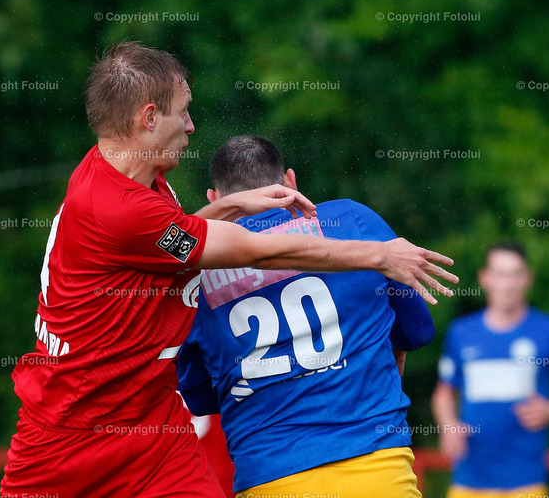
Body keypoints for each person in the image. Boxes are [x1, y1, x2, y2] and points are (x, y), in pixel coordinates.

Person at [0, 42, 457, 498]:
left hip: (154, 424)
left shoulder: (132, 176)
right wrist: (379, 255)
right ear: (149, 118)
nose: (191, 126)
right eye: (184, 111)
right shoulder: (119, 208)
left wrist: (231, 205)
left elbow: (167, 241)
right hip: (74, 428)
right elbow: (259, 253)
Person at [178, 134, 441, 498]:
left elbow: (200, 397)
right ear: (290, 181)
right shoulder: (352, 219)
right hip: (375, 463)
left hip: (269, 475)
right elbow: (416, 330)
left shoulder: (194, 273)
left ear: (215, 200)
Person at [432, 241, 549, 498]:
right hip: (468, 482)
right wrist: (448, 425)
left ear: (528, 278)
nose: (508, 284)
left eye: (515, 274)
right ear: (485, 278)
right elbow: (444, 392)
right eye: (500, 274)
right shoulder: (461, 332)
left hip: (526, 482)